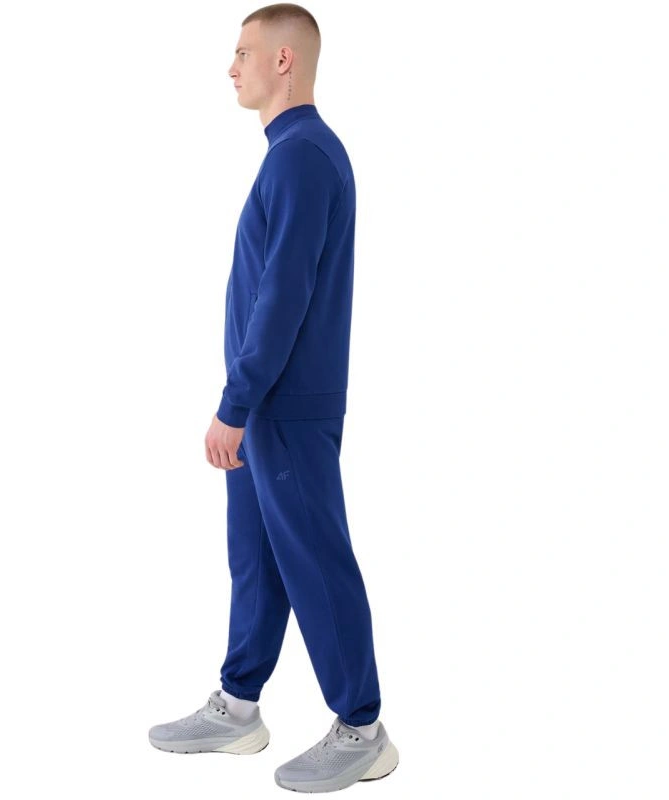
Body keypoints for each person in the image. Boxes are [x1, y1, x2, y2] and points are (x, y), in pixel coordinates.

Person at [148, 4, 398, 792]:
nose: (232, 67)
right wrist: (242, 404)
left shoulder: (302, 158)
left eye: (244, 52)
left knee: (315, 560)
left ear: (284, 61)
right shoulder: (291, 155)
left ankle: (362, 728)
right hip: (267, 406)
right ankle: (238, 705)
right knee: (255, 559)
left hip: (284, 404)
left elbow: (282, 298)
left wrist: (236, 402)